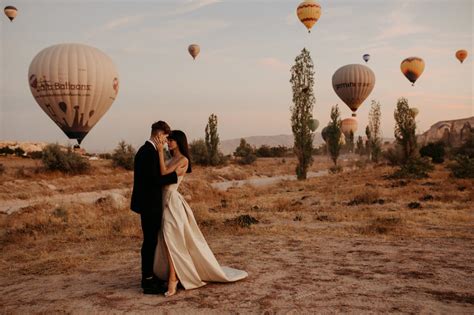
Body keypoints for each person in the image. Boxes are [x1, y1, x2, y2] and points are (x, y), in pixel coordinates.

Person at [152, 130, 248, 297]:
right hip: (163, 200)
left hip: (172, 202)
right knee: (167, 239)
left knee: (170, 238)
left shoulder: (183, 160)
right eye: (168, 141)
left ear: (179, 142)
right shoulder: (171, 158)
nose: (168, 143)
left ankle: (173, 278)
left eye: (171, 141)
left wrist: (159, 151)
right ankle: (174, 275)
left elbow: (164, 173)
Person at [130, 121, 187, 294]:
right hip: (150, 204)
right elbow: (154, 180)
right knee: (149, 242)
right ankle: (147, 281)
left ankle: (151, 276)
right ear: (159, 134)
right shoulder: (149, 152)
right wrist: (175, 178)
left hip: (152, 203)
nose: (166, 141)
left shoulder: (148, 151)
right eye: (165, 137)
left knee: (153, 241)